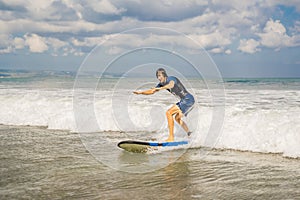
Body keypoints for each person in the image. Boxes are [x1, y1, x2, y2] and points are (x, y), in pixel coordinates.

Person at [133, 68, 195, 142]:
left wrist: (161, 88)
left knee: (169, 113)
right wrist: (141, 92)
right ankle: (189, 133)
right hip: (187, 101)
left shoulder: (171, 79)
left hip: (187, 99)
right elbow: (152, 91)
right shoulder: (161, 84)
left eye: (160, 76)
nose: (159, 78)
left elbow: (171, 85)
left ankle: (171, 138)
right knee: (177, 118)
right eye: (157, 76)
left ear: (164, 75)